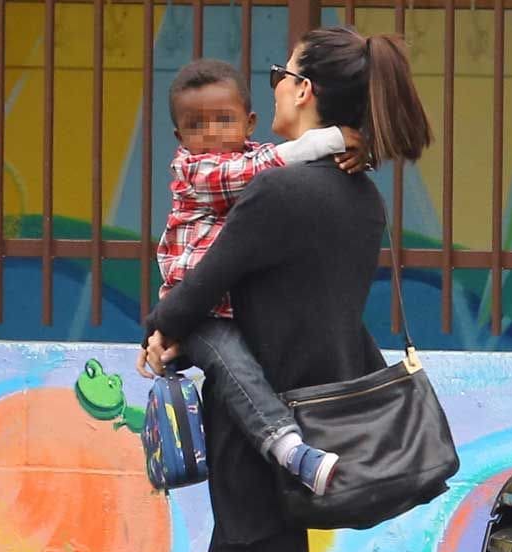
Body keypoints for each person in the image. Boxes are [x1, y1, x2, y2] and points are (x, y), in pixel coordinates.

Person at [119, 26, 458, 552]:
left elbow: (198, 289)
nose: (271, 87)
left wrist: (163, 330)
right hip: (307, 422)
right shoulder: (357, 193)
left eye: (281, 75)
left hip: (261, 438)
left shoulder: (274, 194)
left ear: (304, 91)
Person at [147, 58, 368, 494]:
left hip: (233, 311)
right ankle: (288, 448)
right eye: (196, 125)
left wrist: (358, 154)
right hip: (201, 315)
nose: (211, 133)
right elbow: (252, 173)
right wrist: (330, 139)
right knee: (236, 367)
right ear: (179, 137)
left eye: (224, 120)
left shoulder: (265, 162)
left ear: (249, 123)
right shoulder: (195, 169)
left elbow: (291, 173)